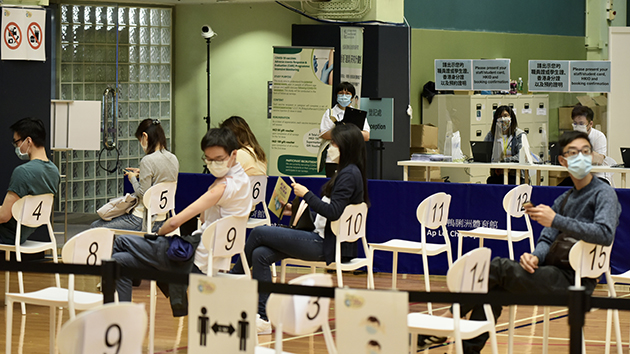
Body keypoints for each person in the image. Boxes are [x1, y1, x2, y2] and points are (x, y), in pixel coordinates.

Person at [453, 130, 621, 353]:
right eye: (573, 153)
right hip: (552, 272)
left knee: (497, 268)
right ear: (563, 160)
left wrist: (556, 219)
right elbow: (547, 237)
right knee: (494, 290)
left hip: (578, 280)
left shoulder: (604, 194)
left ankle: (449, 317)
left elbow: (604, 233)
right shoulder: (565, 198)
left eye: (585, 151)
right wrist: (535, 255)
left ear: (592, 156)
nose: (580, 157)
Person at [231, 123, 370, 334]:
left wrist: (306, 195)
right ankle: (263, 317)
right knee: (260, 254)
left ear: (346, 146)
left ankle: (232, 281)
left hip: (326, 245)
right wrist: (295, 209)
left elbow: (333, 212)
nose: (330, 147)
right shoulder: (349, 172)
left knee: (259, 233)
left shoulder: (348, 175)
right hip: (323, 237)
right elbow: (331, 215)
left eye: (333, 144)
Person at [111, 127, 252, 314]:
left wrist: (156, 235)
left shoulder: (222, 187)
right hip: (214, 256)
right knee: (119, 261)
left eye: (218, 159)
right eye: (208, 159)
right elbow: (204, 218)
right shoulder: (243, 180)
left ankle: (123, 311)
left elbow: (174, 223)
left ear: (233, 154)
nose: (212, 164)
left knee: (121, 241)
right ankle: (124, 313)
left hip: (190, 257)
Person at [91, 119, 179, 232]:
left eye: (139, 140)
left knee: (95, 227)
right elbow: (160, 179)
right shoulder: (173, 158)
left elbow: (143, 194)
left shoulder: (148, 160)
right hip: (162, 218)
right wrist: (142, 173)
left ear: (145, 136)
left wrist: (132, 178)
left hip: (143, 220)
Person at [0, 117, 59, 244]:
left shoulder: (23, 172)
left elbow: (4, 216)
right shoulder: (54, 171)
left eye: (16, 143)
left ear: (28, 141)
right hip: (24, 233)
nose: (16, 147)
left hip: (8, 234)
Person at [319, 82, 370, 177]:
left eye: (347, 94)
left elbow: (366, 136)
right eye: (341, 93)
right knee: (333, 186)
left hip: (353, 158)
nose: (344, 96)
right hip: (333, 158)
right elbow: (324, 133)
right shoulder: (330, 113)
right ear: (336, 96)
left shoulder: (358, 114)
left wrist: (342, 130)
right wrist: (349, 131)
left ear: (352, 98)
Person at [484, 105, 526, 184]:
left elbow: (521, 155)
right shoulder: (491, 135)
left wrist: (504, 160)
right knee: (491, 182)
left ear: (511, 117)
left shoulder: (519, 135)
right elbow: (485, 152)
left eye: (506, 116)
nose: (503, 119)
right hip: (497, 174)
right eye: (500, 116)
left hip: (515, 175)